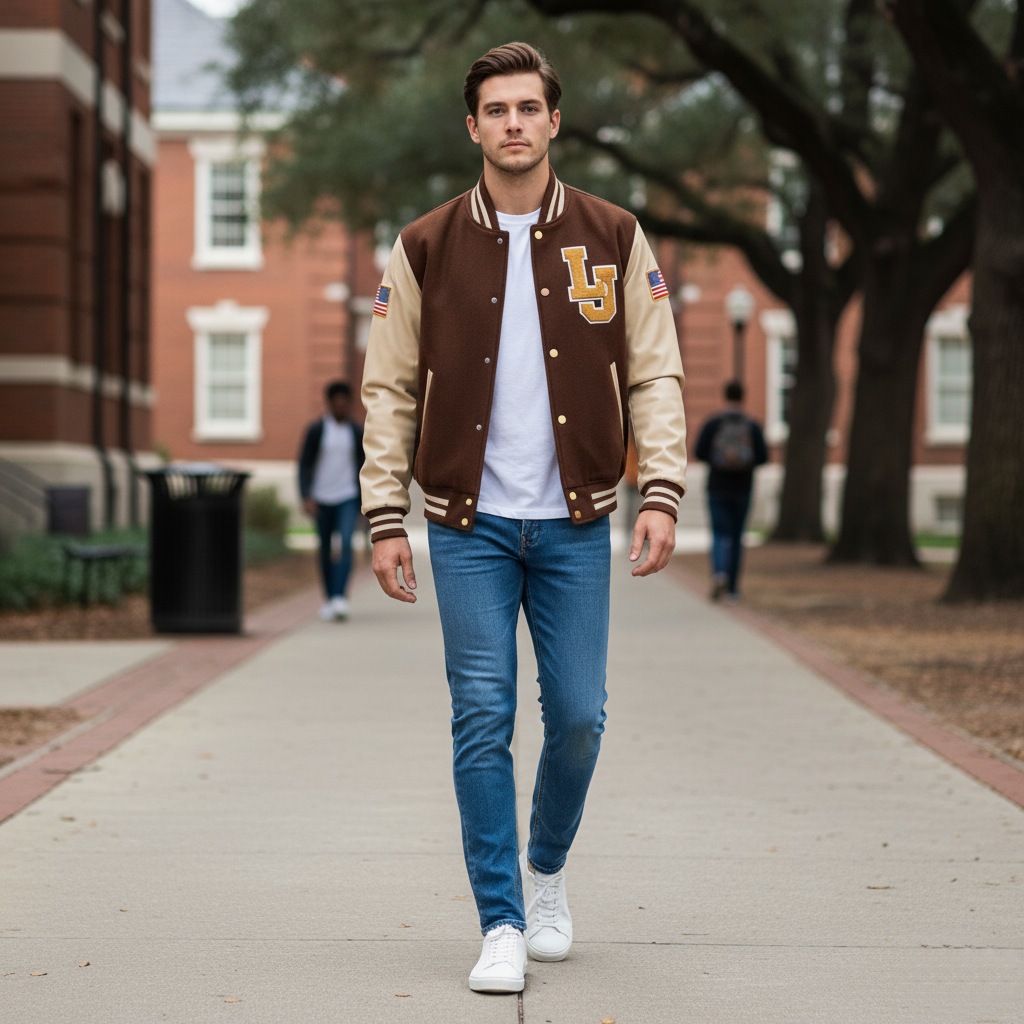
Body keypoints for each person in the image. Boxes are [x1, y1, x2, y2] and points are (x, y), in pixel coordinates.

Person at [359, 42, 687, 994]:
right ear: (473, 127)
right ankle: (501, 918)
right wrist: (387, 515)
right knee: (483, 718)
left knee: (578, 717)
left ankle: (547, 869)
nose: (511, 124)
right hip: (469, 527)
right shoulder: (423, 245)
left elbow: (657, 371)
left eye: (527, 108)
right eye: (494, 109)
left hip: (577, 521)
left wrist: (658, 489)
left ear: (554, 121)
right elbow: (388, 390)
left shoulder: (615, 234)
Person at [694, 380, 768, 601]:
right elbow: (763, 457)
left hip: (717, 487)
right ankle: (733, 588)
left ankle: (719, 574)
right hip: (743, 488)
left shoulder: (714, 423)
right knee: (737, 537)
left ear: (724, 396)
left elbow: (699, 451)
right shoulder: (751, 425)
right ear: (743, 396)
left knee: (718, 534)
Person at [298, 381, 365, 620]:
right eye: (336, 403)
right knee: (325, 549)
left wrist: (364, 502)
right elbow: (304, 464)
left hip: (347, 496)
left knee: (346, 544)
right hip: (321, 498)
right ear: (329, 404)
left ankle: (340, 598)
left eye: (345, 403)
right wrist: (306, 495)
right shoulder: (316, 430)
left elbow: (363, 466)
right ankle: (329, 598)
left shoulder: (356, 432)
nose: (341, 407)